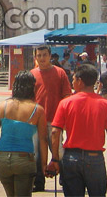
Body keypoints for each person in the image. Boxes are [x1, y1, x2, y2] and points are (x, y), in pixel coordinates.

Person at [46, 64, 107, 197]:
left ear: (80, 81)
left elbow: (55, 132)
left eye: (73, 79)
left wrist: (55, 159)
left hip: (71, 158)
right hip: (95, 158)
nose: (72, 82)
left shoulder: (66, 103)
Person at [0, 71, 48, 197]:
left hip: (3, 159)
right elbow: (43, 139)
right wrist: (44, 164)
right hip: (24, 160)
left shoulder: (3, 106)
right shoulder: (37, 110)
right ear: (33, 87)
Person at [30, 44, 72, 192]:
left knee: (58, 151)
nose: (42, 58)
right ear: (36, 57)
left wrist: (65, 118)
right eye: (39, 56)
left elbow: (67, 96)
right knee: (36, 152)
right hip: (35, 122)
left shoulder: (60, 73)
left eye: (44, 55)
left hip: (55, 121)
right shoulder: (32, 74)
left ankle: (64, 180)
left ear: (50, 56)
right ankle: (38, 182)